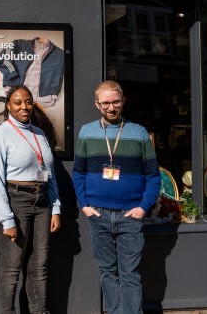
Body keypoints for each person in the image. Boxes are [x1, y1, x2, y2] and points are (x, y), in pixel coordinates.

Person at [72, 80, 161, 314]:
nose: (111, 108)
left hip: (130, 215)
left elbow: (153, 176)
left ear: (123, 101)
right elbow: (79, 172)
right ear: (96, 104)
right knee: (107, 272)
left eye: (115, 102)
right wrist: (84, 205)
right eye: (105, 103)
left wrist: (143, 207)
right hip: (98, 213)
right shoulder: (87, 132)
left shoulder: (139, 133)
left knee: (130, 273)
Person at [0, 85, 61, 314]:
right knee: (10, 268)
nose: (24, 107)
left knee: (40, 265)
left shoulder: (39, 133)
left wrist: (55, 207)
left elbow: (50, 173)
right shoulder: (1, 135)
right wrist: (7, 220)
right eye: (18, 102)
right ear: (8, 106)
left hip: (42, 202)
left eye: (28, 102)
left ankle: (39, 311)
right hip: (14, 202)